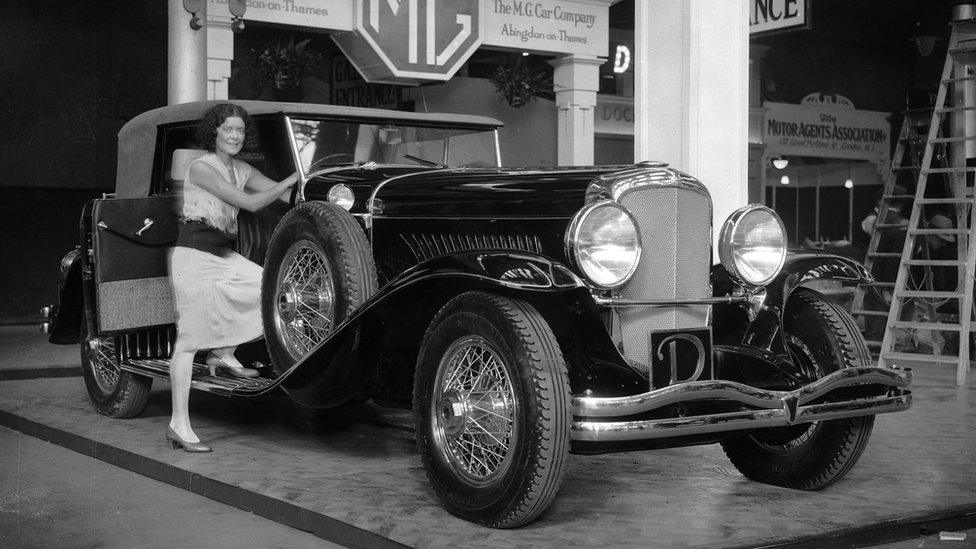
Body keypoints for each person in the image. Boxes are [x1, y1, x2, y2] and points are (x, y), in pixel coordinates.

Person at [166, 103, 298, 453]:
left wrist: (316, 185)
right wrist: (291, 177)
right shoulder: (201, 168)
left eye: (240, 131)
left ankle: (222, 353)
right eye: (228, 130)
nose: (235, 136)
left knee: (271, 289)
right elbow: (251, 203)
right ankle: (179, 425)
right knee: (189, 339)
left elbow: (287, 195)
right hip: (193, 255)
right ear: (215, 133)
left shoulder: (241, 168)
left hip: (224, 255)